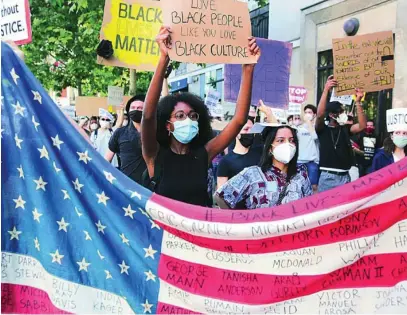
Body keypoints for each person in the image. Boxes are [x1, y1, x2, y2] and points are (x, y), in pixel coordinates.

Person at [141, 26, 260, 206]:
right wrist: (163, 59)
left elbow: (238, 120)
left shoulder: (203, 154)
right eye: (180, 116)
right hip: (165, 233)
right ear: (167, 124)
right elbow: (148, 116)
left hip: (197, 232)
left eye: (193, 115)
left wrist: (248, 69)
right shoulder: (154, 155)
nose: (187, 120)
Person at [215, 125, 312, 209]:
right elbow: (221, 197)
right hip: (259, 229)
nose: (288, 144)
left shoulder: (301, 174)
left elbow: (310, 205)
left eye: (291, 140)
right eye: (280, 140)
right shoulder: (252, 174)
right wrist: (237, 219)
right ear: (270, 147)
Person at [316, 76, 367, 192]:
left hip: (345, 176)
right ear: (332, 115)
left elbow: (362, 126)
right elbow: (319, 115)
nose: (344, 113)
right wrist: (326, 90)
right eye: (341, 111)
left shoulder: (345, 129)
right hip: (327, 177)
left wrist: (358, 102)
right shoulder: (322, 129)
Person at [105, 95, 147, 183]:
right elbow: (106, 160)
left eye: (140, 108)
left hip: (150, 188)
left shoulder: (156, 133)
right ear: (128, 111)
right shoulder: (119, 133)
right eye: (133, 107)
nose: (136, 110)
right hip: (127, 186)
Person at [216, 119, 262, 188]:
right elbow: (221, 193)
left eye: (252, 130)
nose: (250, 132)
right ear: (236, 132)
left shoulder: (260, 153)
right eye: (246, 129)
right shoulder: (225, 161)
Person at [297, 104, 320, 193]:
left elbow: (315, 137)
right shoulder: (299, 128)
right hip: (300, 161)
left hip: (312, 162)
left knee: (314, 186)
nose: (307, 114)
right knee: (299, 185)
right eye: (306, 112)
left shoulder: (317, 127)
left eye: (309, 112)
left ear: (314, 114)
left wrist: (310, 123)